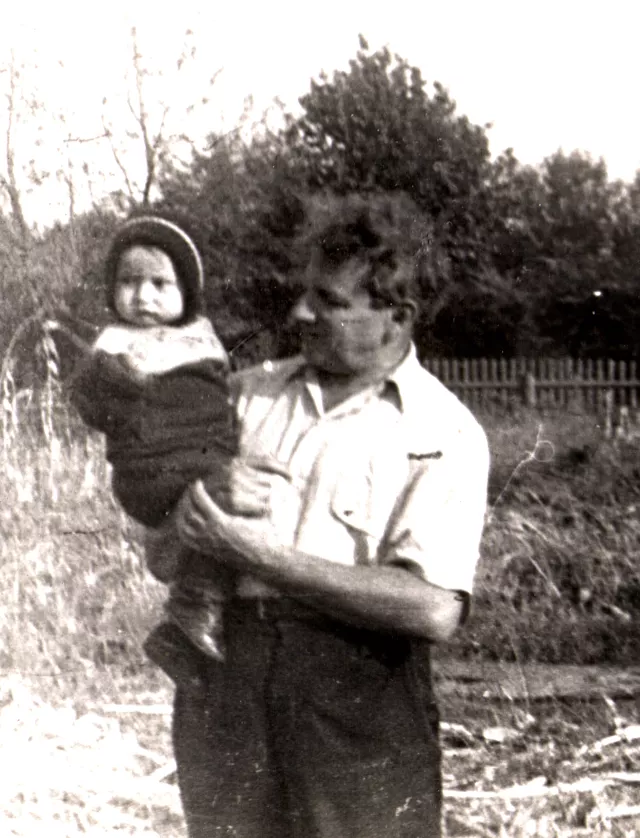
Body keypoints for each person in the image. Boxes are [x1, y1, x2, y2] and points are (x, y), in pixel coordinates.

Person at [144, 208, 490, 838]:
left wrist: (261, 558)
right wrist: (197, 500)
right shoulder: (240, 397)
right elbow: (161, 556)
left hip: (359, 703)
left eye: (328, 301)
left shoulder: (442, 431)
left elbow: (433, 608)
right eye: (305, 293)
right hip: (227, 688)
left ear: (397, 317)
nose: (300, 312)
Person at [70, 214, 241, 663]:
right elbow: (88, 402)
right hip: (148, 468)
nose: (143, 296)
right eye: (128, 282)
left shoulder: (200, 338)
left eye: (160, 284)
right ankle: (193, 604)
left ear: (187, 292)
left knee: (229, 507)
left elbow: (220, 397)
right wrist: (114, 384)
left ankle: (190, 624)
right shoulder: (115, 345)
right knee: (224, 497)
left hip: (195, 460)